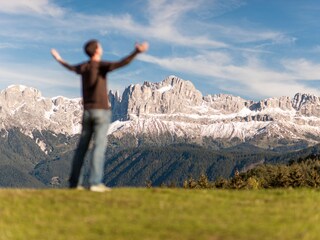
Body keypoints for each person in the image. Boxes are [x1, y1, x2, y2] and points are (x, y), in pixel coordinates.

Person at [51, 40, 149, 192]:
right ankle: (95, 183)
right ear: (97, 50)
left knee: (82, 148)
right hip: (101, 112)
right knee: (99, 146)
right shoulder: (102, 66)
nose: (102, 48)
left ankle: (74, 184)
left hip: (87, 112)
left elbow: (70, 67)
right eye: (100, 46)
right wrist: (137, 52)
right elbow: (122, 63)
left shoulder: (83, 67)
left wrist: (58, 59)